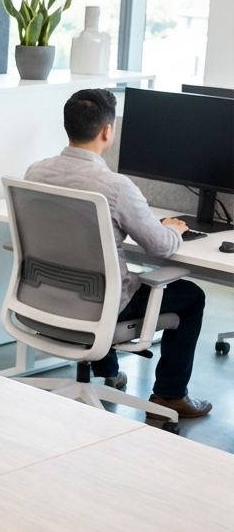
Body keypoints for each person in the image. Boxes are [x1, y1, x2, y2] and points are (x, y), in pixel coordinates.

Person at [24, 88, 211, 418]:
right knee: (191, 296)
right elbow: (161, 246)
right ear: (107, 131)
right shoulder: (115, 187)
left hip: (44, 301)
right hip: (100, 309)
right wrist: (174, 228)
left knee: (103, 277)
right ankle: (169, 396)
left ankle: (108, 371)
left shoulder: (35, 172)